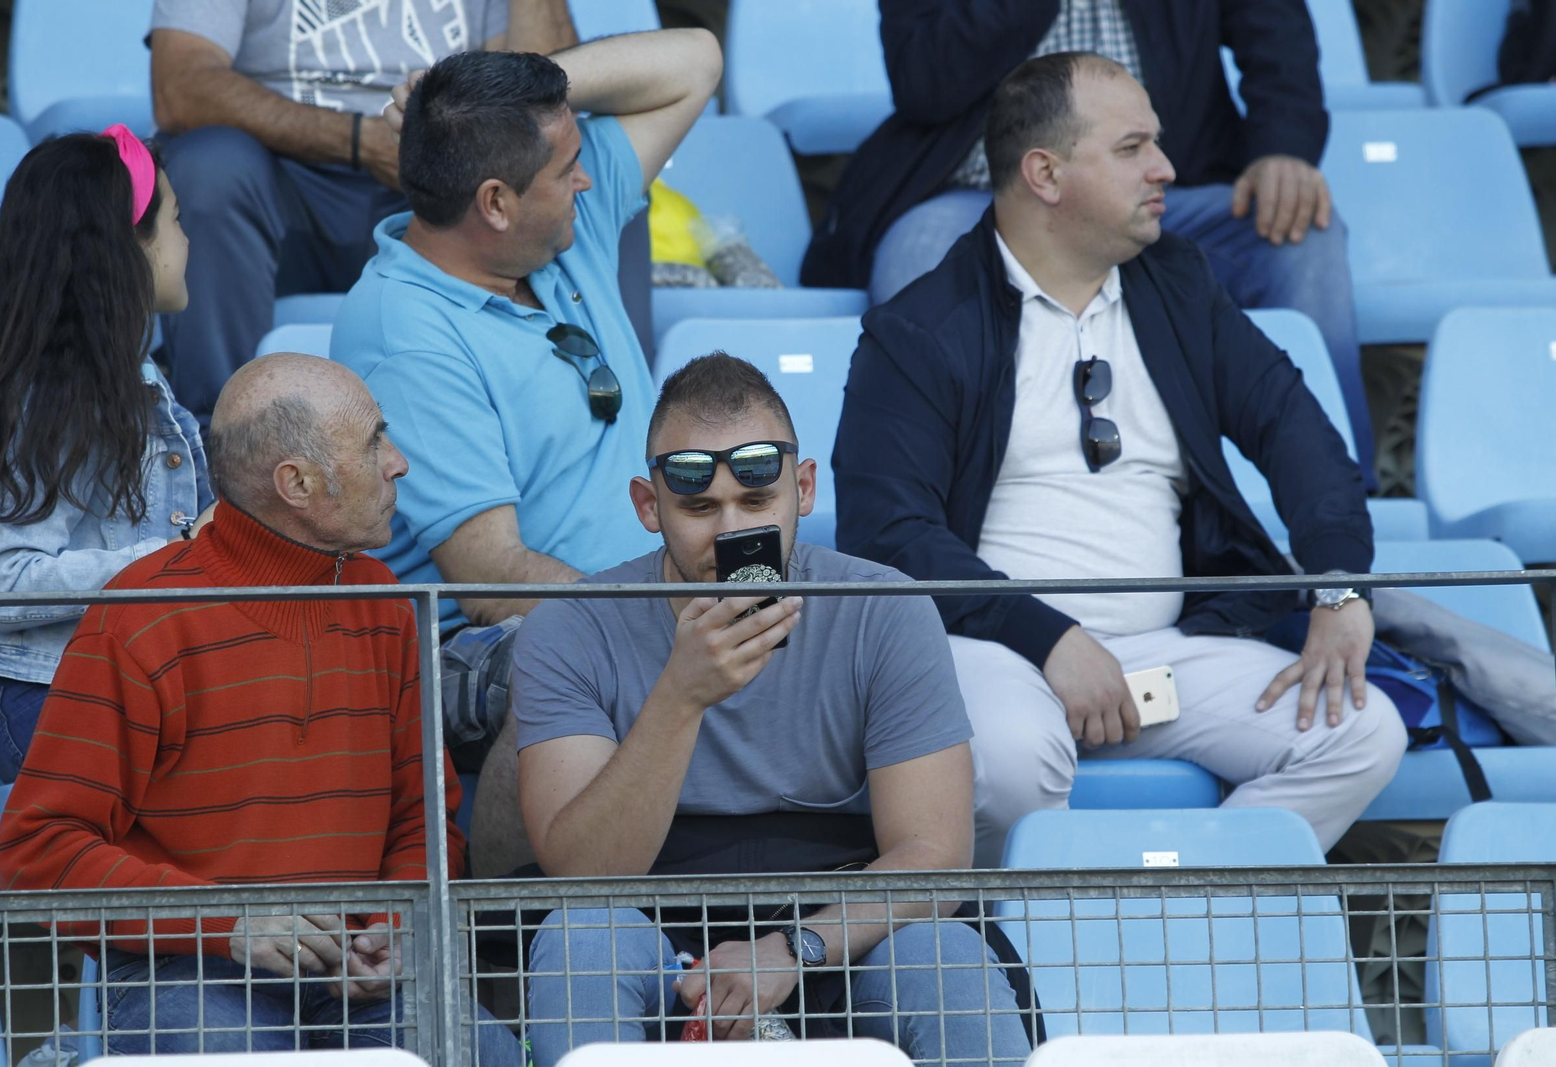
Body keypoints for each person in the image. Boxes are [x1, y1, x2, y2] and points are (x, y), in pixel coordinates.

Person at [832, 53, 1408, 868]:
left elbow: (1294, 426)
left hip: (1163, 653)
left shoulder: (1176, 284)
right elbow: (890, 535)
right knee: (1012, 760)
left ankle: (1174, 935)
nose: (1166, 169)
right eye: (1134, 147)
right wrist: (1051, 638)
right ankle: (1025, 967)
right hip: (995, 653)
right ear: (1046, 173)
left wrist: (1340, 583)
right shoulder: (920, 329)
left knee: (1360, 732)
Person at [507, 353, 1034, 1065]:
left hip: (832, 915)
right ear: (646, 505)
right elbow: (583, 872)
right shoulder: (570, 625)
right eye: (698, 507)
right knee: (582, 941)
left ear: (804, 488)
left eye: (756, 504)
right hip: (648, 909)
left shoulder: (882, 605)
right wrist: (682, 693)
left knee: (944, 955)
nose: (730, 532)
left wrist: (791, 948)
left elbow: (934, 854)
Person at [0, 353, 512, 1059]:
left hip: (353, 978)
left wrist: (394, 924)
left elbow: (423, 818)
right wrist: (227, 921)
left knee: (486, 1054)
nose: (399, 463)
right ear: (295, 483)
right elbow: (37, 850)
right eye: (374, 442)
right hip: (186, 969)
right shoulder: (140, 619)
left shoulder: (386, 603)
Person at [332, 35, 719, 799]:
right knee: (588, 658)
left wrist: (483, 99)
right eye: (562, 168)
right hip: (509, 646)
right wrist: (669, 619)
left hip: (662, 597)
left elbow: (695, 60)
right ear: (496, 203)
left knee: (868, 625)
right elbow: (491, 578)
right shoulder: (402, 327)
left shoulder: (556, 228)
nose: (586, 177)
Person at [805, 0, 1376, 489]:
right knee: (916, 254)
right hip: (988, 197)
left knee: (1305, 240)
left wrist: (1283, 149)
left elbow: (1278, 39)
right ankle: (930, 502)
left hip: (1163, 194)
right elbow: (924, 80)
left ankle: (1340, 496)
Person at [148, 0, 579, 424]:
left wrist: (431, 146)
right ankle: (219, 445)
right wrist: (359, 141)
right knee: (210, 171)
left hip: (442, 178)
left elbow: (549, 106)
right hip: (277, 177)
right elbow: (180, 86)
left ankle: (555, 425)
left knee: (557, 171)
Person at [0, 127, 213, 784]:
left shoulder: (130, 379)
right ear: (125, 249)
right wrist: (178, 559)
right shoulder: (49, 399)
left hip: (130, 691)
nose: (187, 241)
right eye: (175, 222)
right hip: (57, 705)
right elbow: (0, 586)